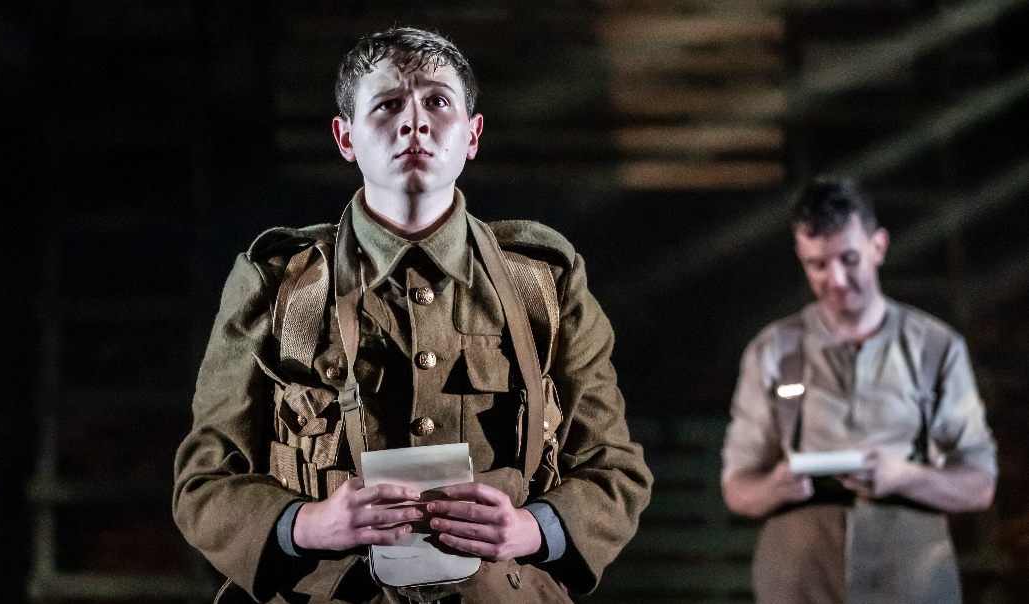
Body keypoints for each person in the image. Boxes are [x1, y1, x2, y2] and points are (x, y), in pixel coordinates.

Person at [172, 27, 651, 604]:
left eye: (438, 101)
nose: (415, 122)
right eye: (388, 104)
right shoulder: (278, 284)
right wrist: (308, 525)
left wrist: (530, 529)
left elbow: (613, 468)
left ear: (472, 135)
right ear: (345, 136)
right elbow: (203, 483)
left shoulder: (544, 281)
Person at [720, 178, 997, 604]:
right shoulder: (773, 350)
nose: (836, 279)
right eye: (817, 264)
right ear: (801, 256)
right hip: (800, 581)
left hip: (912, 580)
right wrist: (777, 484)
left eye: (849, 259)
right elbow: (737, 488)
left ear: (878, 246)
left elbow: (979, 485)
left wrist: (906, 477)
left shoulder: (935, 348)